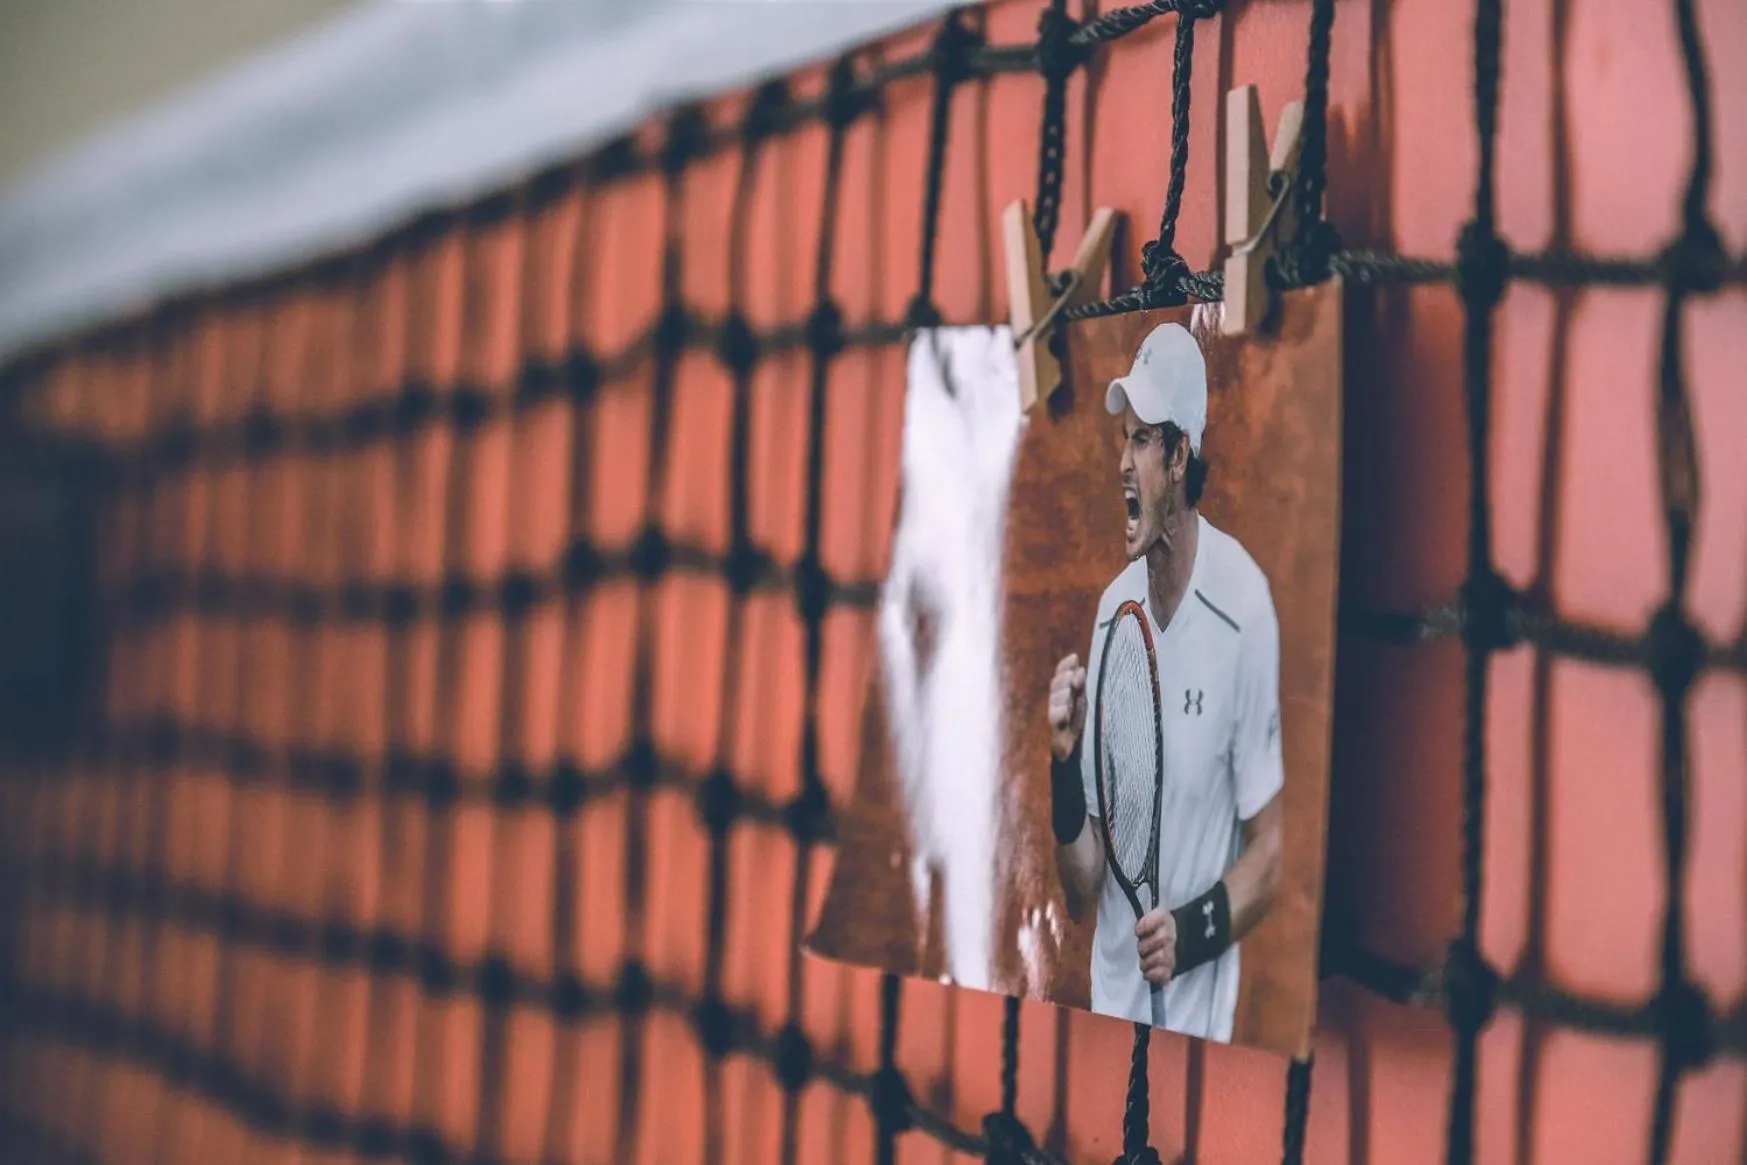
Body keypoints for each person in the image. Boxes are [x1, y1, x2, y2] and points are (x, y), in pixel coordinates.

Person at [1045, 321, 1284, 1041]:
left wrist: (1190, 930)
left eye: (1142, 439)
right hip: (1108, 1018)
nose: (1122, 461)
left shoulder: (1242, 606)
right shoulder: (1112, 612)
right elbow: (1083, 886)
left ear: (1180, 453)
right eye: (1123, 437)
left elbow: (1270, 852)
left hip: (1200, 1030)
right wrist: (1062, 767)